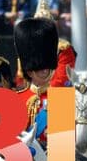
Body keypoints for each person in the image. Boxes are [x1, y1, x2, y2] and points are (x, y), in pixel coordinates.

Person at [15, 0, 76, 89]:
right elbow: (21, 79)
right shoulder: (27, 46)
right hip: (33, 93)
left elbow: (61, 79)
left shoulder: (63, 49)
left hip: (59, 95)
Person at [14, 17, 58, 145]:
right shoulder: (18, 98)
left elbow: (63, 152)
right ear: (29, 72)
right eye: (39, 69)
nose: (45, 71)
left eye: (46, 68)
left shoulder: (62, 98)